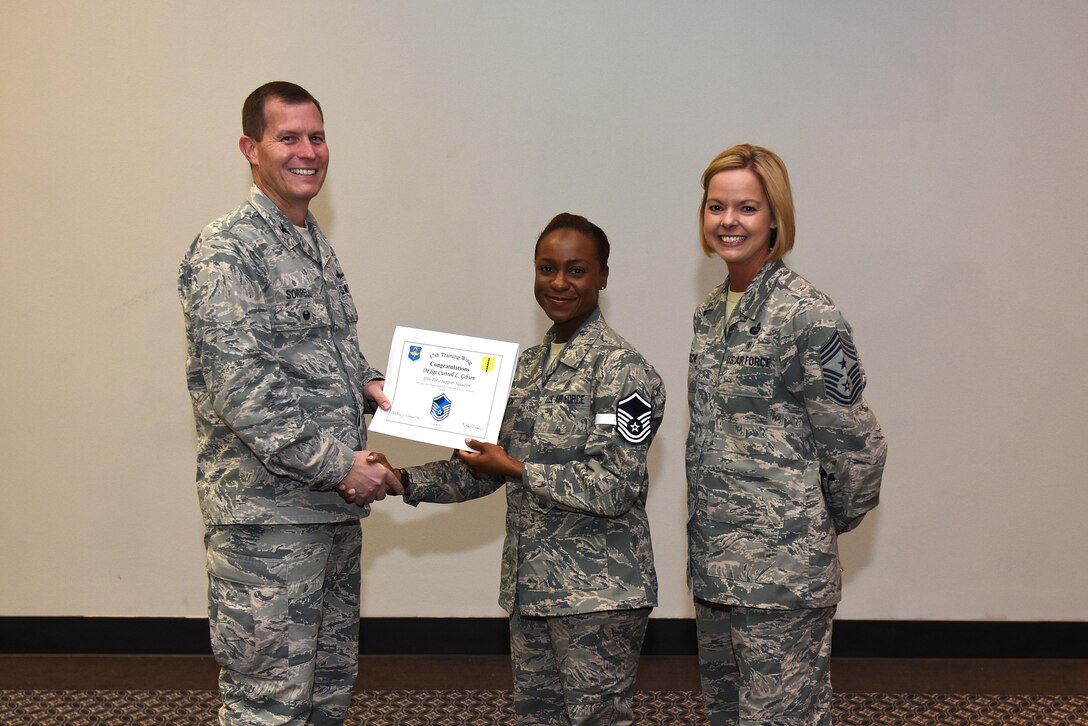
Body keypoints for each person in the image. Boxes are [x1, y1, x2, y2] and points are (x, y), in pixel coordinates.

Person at [348, 213, 666, 725]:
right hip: (532, 588)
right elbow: (482, 466)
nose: (559, 283)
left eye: (577, 270)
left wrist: (518, 468)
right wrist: (403, 480)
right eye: (546, 268)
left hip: (598, 597)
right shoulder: (526, 367)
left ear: (603, 276)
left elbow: (614, 487)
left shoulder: (625, 373)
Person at [178, 81, 401, 725]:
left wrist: (375, 385)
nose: (309, 152)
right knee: (268, 706)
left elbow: (327, 355)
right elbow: (242, 389)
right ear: (251, 148)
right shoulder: (229, 250)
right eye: (289, 138)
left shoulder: (310, 244)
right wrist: (341, 466)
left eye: (318, 137)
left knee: (327, 695)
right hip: (266, 526)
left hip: (327, 516)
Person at [686, 144, 887, 725]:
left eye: (746, 208)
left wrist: (816, 529)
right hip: (718, 570)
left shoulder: (808, 315)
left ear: (775, 217)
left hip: (783, 578)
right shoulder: (711, 312)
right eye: (716, 207)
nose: (729, 222)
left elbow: (858, 446)